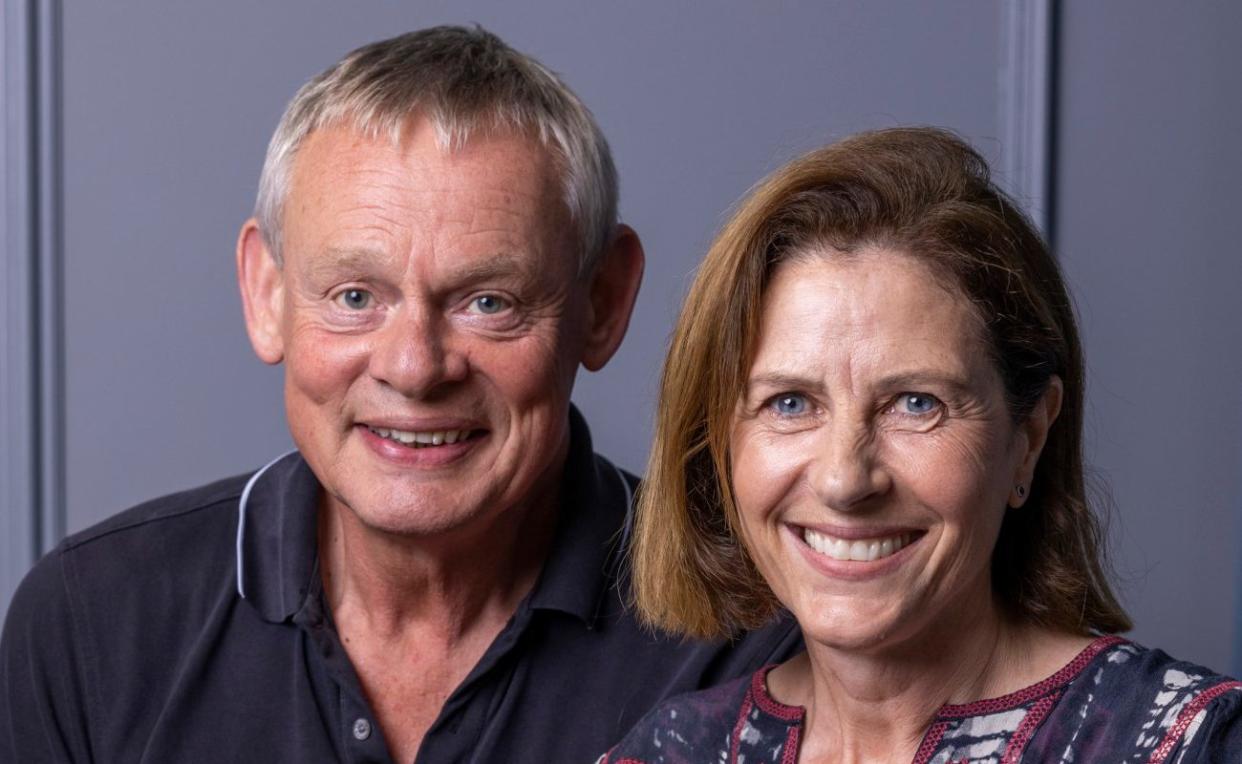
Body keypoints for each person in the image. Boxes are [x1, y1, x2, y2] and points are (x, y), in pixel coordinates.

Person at [0, 26, 800, 763]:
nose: (415, 368)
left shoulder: (746, 635)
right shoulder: (91, 625)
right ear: (265, 293)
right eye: (354, 297)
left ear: (604, 303)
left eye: (488, 302)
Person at [602, 127, 1242, 762]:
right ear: (721, 444)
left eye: (917, 403)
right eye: (789, 403)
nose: (845, 481)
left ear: (1028, 438)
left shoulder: (1191, 743)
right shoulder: (668, 751)